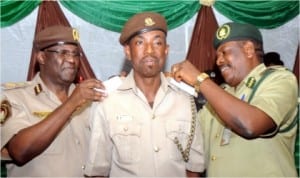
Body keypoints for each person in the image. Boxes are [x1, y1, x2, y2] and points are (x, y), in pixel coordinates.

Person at [84, 12, 205, 177]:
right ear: (128, 51)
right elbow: (98, 172)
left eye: (157, 42)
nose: (149, 50)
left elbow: (193, 169)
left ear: (166, 50)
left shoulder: (185, 102)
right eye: (140, 42)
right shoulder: (107, 104)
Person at [171, 22, 298, 177]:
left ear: (249, 50)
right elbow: (191, 146)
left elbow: (250, 125)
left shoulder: (280, 80)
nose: (218, 61)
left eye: (225, 52)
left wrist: (199, 79)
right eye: (217, 55)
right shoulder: (220, 94)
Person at [1, 25, 106, 177]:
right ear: (41, 57)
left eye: (76, 54)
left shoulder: (92, 98)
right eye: (62, 53)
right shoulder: (13, 98)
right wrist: (71, 103)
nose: (71, 60)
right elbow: (19, 151)